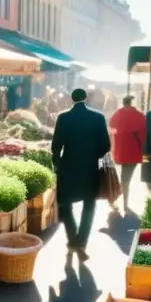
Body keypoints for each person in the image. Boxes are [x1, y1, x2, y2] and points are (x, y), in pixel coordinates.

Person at [51, 88, 110, 258]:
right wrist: (94, 155)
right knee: (89, 205)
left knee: (65, 204)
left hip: (68, 166)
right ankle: (82, 241)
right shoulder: (98, 117)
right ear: (85, 98)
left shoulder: (63, 118)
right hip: (90, 167)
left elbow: (56, 146)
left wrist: (57, 163)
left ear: (72, 99)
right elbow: (106, 145)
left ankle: (72, 238)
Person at [108, 95, 146, 214]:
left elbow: (111, 125)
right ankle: (123, 202)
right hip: (134, 150)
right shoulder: (140, 115)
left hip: (121, 150)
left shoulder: (118, 113)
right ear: (132, 103)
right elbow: (145, 131)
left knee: (124, 177)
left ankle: (117, 197)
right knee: (126, 178)